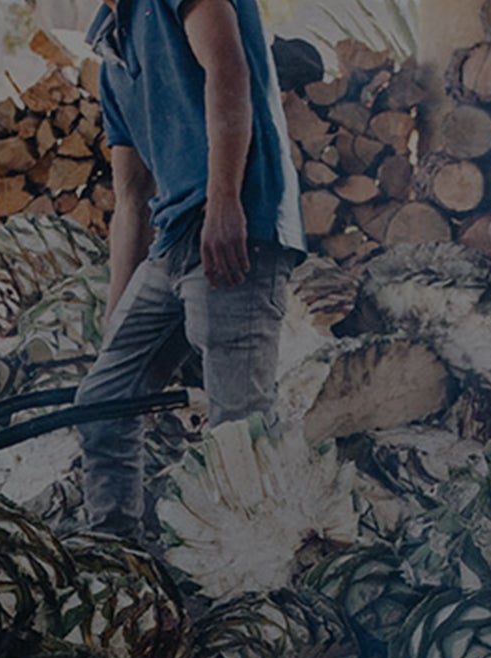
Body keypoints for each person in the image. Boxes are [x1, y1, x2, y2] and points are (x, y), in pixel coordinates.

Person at [71, 0, 306, 539]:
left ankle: (254, 589)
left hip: (238, 228)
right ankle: (115, 550)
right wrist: (115, 319)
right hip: (174, 240)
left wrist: (225, 197)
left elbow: (228, 68)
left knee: (237, 429)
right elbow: (131, 199)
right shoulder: (111, 45)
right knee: (103, 400)